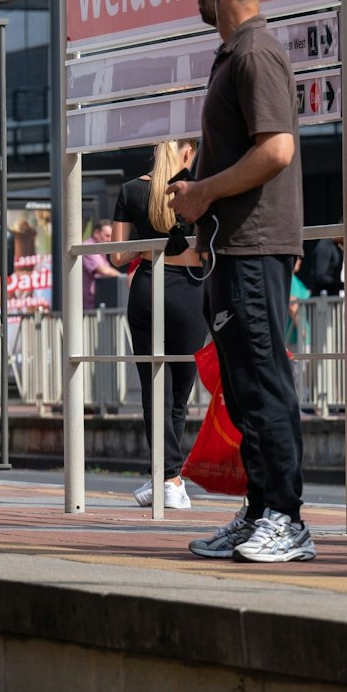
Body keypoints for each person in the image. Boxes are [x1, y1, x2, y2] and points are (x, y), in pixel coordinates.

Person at [170, 0, 314, 564]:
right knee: (242, 385)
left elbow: (276, 148)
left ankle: (287, 518)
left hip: (254, 247)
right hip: (235, 249)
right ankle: (260, 511)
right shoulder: (234, 55)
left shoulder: (256, 53)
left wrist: (201, 192)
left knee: (262, 384)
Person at [109, 139, 206, 510]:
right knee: (180, 392)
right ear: (186, 152)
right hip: (192, 292)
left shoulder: (132, 190)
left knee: (154, 388)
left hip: (150, 287)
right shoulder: (198, 189)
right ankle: (169, 477)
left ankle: (166, 476)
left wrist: (151, 241)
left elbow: (117, 257)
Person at [83, 221, 123, 309]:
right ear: (96, 233)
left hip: (97, 303)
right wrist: (124, 278)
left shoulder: (100, 251)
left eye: (111, 237)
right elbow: (104, 270)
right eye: (107, 236)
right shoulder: (88, 247)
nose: (109, 240)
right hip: (87, 307)